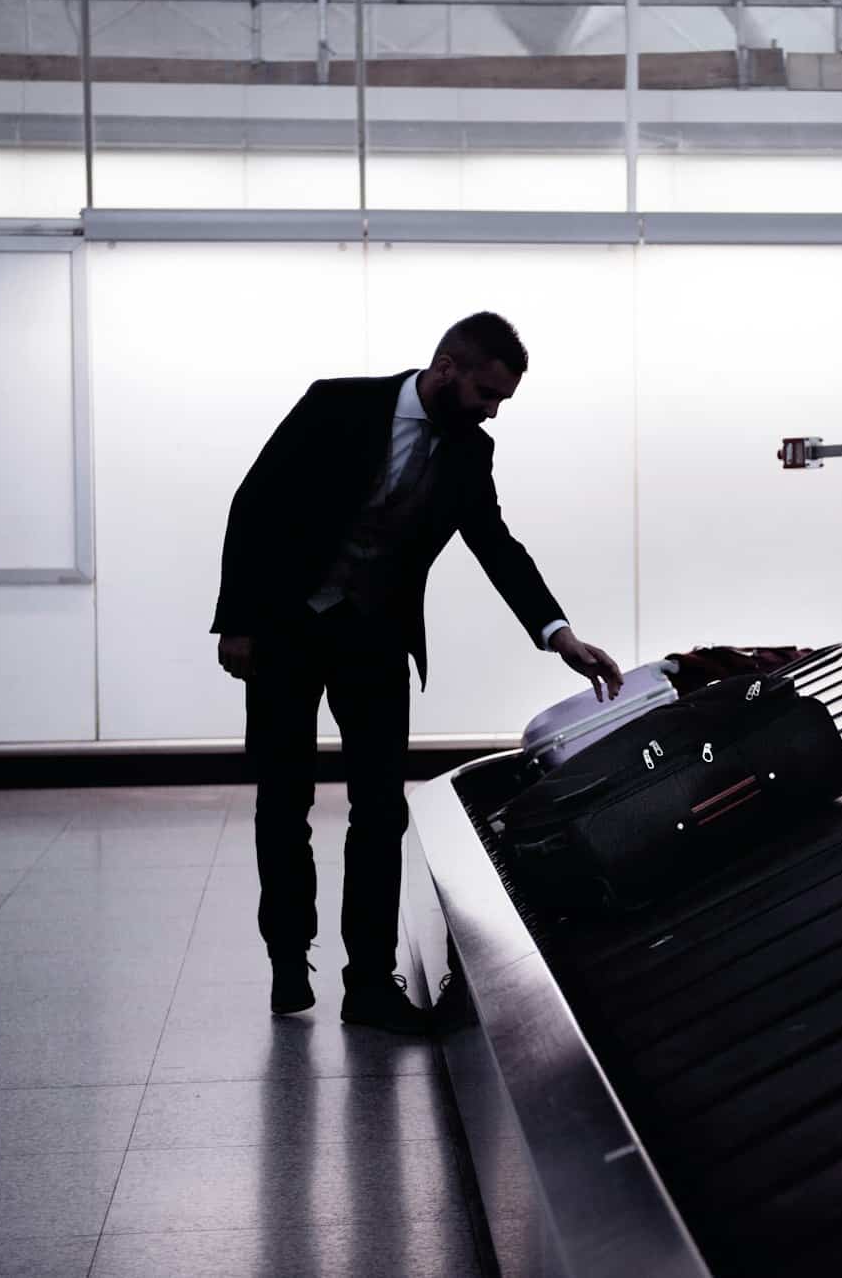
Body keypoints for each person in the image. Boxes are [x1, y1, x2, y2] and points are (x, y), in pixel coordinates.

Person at [212, 312, 624, 1034]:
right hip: (286, 627)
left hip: (373, 637)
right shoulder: (336, 404)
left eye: (502, 399)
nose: (492, 410)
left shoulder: (470, 453)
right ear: (446, 367)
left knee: (379, 809)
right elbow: (255, 504)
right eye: (486, 392)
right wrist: (238, 620)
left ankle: (368, 983)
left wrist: (559, 634)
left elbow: (495, 542)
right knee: (284, 797)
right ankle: (287, 954)